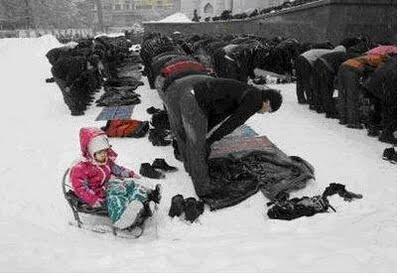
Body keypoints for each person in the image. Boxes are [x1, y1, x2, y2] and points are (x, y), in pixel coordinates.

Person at [70, 127, 161, 230]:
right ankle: (120, 219)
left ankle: (144, 201)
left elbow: (117, 169)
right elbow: (79, 188)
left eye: (105, 151)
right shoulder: (81, 168)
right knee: (116, 198)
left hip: (109, 185)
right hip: (98, 193)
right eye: (100, 152)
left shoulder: (106, 161)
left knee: (130, 185)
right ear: (91, 153)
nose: (104, 154)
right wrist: (94, 199)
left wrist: (130, 174)